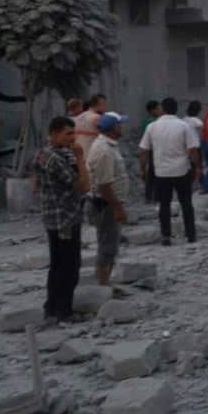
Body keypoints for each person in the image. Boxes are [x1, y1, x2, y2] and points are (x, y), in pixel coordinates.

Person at [32, 116, 89, 324]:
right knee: (70, 265)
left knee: (56, 264)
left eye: (73, 133)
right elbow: (83, 186)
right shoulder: (55, 158)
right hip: (65, 218)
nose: (72, 138)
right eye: (68, 133)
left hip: (51, 217)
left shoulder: (41, 154)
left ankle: (51, 308)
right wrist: (80, 159)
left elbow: (35, 185)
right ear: (54, 134)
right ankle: (64, 311)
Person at [139, 97, 201, 246]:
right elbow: (192, 150)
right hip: (181, 170)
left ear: (162, 109)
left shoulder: (152, 127)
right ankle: (191, 234)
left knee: (164, 205)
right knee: (186, 203)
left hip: (161, 173)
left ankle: (166, 236)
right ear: (176, 109)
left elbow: (143, 151)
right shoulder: (183, 126)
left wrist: (143, 169)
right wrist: (198, 167)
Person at [86, 112, 128, 286]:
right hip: (106, 204)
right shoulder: (104, 150)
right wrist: (118, 208)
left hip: (106, 202)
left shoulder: (108, 145)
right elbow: (104, 186)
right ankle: (103, 284)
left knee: (107, 244)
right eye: (120, 124)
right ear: (114, 128)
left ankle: (103, 281)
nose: (122, 127)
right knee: (108, 246)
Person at [139, 100, 162, 203]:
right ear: (152, 110)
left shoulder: (148, 121)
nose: (159, 110)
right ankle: (155, 197)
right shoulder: (152, 122)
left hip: (152, 150)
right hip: (154, 150)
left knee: (152, 174)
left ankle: (149, 196)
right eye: (157, 108)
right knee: (156, 174)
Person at [73, 93, 106, 159]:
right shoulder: (97, 118)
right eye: (104, 104)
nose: (105, 107)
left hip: (78, 157)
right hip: (91, 157)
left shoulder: (76, 119)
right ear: (101, 103)